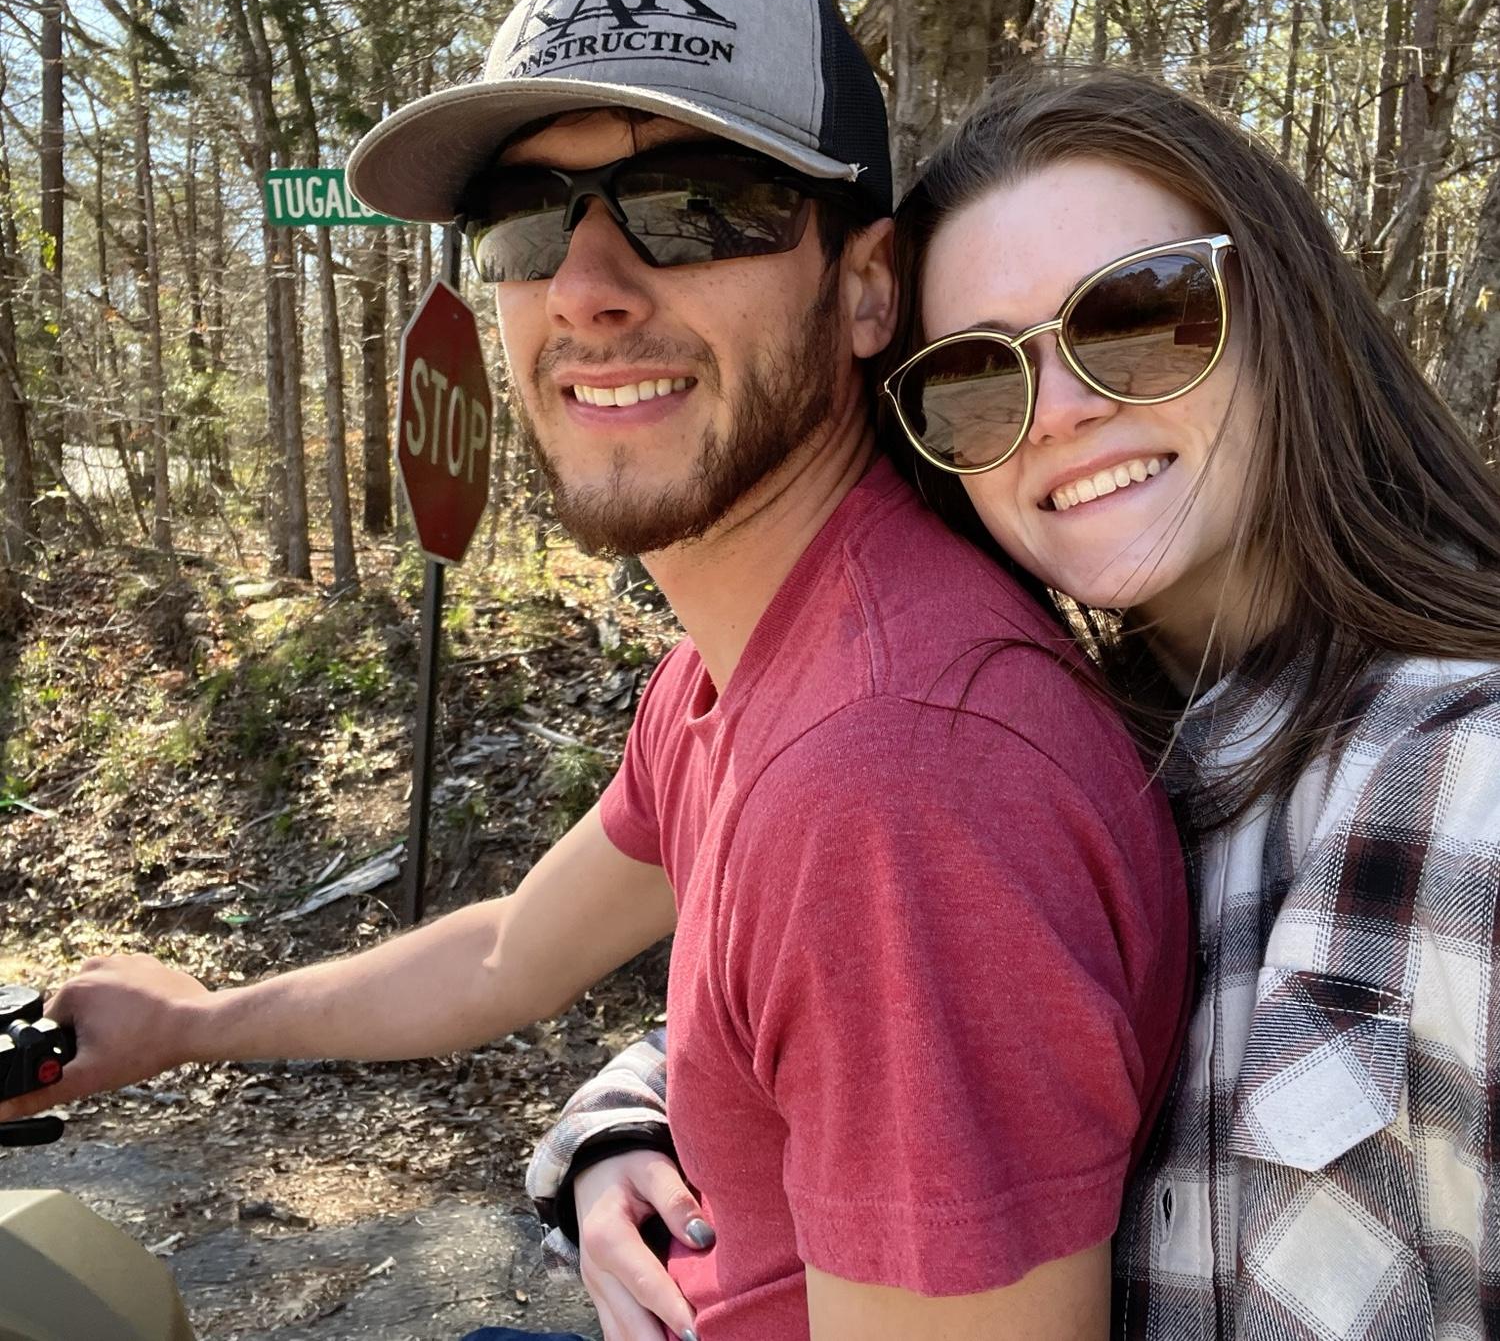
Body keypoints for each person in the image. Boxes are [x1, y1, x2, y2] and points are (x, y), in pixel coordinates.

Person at [0, 0, 1190, 1340]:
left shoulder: (896, 779)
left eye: (696, 208)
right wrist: (196, 1021)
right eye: (526, 221)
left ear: (869, 287)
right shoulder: (741, 667)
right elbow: (508, 951)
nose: (586, 288)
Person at [528, 68, 1500, 1340]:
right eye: (980, 377)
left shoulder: (1462, 793)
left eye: (1140, 315)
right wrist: (622, 1124)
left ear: (1290, 310)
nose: (1062, 412)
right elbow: (840, 1019)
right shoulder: (1078, 740)